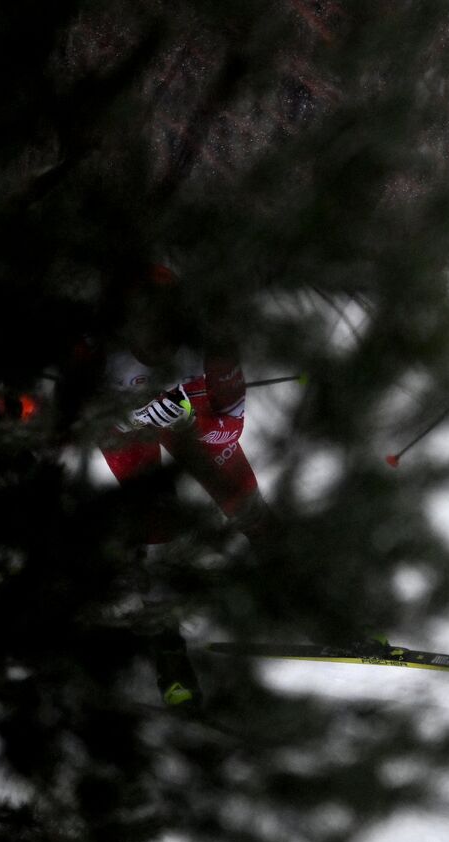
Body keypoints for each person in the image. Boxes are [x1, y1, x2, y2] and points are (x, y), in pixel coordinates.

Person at [96, 265, 271, 708]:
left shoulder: (210, 342)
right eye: (144, 329)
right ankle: (169, 657)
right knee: (156, 528)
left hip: (189, 417)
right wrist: (129, 420)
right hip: (126, 426)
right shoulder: (104, 349)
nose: (154, 340)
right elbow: (88, 422)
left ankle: (316, 602)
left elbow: (229, 429)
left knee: (245, 502)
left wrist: (191, 416)